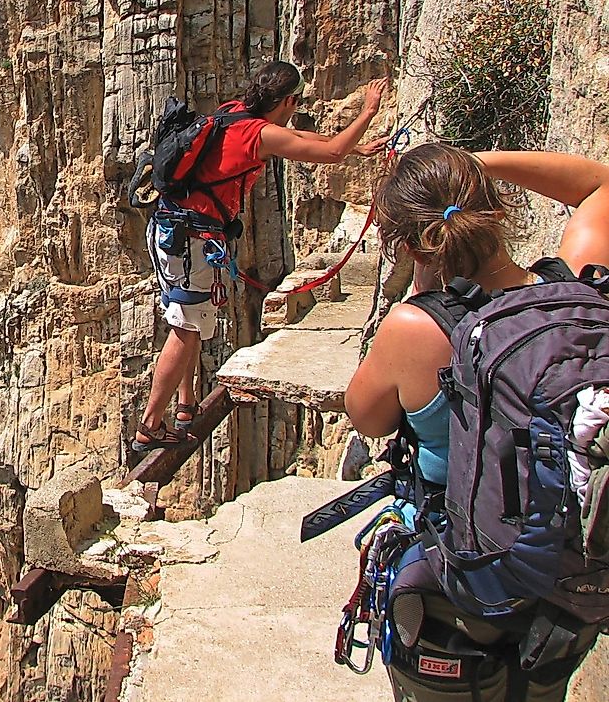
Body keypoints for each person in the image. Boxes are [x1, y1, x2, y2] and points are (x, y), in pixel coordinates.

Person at [345, 144, 609, 699]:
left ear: (413, 244)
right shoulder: (578, 288)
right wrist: (475, 162)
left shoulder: (415, 328)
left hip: (464, 581)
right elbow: (598, 186)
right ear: (495, 208)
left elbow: (365, 417)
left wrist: (422, 301)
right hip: (569, 582)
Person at [133, 61, 389, 456]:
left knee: (190, 320)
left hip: (172, 230)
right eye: (295, 102)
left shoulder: (235, 112)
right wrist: (368, 111)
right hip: (191, 240)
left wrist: (354, 145)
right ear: (287, 100)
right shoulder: (260, 135)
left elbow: (304, 138)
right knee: (185, 328)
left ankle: (185, 406)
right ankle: (149, 426)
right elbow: (329, 153)